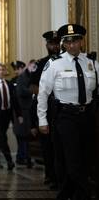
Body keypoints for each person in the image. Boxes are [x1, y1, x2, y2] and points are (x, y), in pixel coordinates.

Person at [37, 24, 97, 200]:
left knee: (87, 158)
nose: (72, 45)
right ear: (64, 43)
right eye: (68, 41)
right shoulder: (54, 63)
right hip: (65, 116)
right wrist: (42, 120)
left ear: (81, 41)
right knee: (72, 159)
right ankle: (84, 198)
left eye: (76, 40)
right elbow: (43, 94)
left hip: (87, 115)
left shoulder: (91, 63)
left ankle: (66, 194)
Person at [30, 30, 61, 189]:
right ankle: (50, 175)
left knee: (61, 147)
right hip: (47, 110)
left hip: (62, 109)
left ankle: (61, 177)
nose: (54, 46)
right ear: (47, 45)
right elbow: (33, 86)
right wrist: (46, 93)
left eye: (57, 43)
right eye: (51, 43)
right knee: (47, 147)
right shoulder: (41, 63)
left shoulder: (65, 61)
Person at [10, 60, 33, 168]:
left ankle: (24, 157)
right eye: (15, 69)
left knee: (25, 135)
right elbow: (14, 99)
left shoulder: (27, 79)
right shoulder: (14, 81)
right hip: (18, 111)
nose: (16, 71)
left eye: (18, 69)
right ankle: (21, 157)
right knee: (21, 134)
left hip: (26, 111)